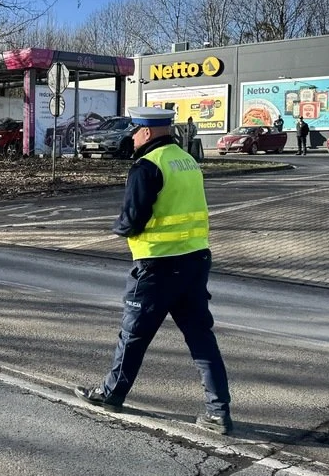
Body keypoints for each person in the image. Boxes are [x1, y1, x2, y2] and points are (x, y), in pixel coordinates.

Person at [75, 106, 233, 434]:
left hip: (157, 268)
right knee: (201, 338)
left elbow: (132, 220)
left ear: (146, 132)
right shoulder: (187, 160)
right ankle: (218, 413)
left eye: (134, 131)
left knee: (133, 336)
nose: (131, 137)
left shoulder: (146, 166)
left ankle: (111, 394)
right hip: (195, 262)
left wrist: (118, 227)